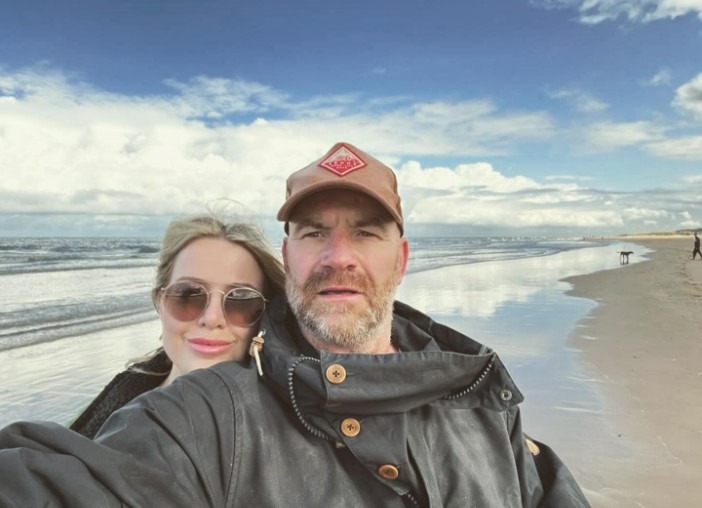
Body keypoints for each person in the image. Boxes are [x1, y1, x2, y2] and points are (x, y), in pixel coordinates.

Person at [0, 142, 590, 507]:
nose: (338, 255)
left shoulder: (479, 397)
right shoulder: (211, 415)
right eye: (313, 232)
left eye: (365, 231)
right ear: (289, 260)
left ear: (402, 259)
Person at [70, 212, 285, 438]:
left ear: (267, 314)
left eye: (241, 300)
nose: (212, 318)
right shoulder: (126, 388)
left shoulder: (270, 432)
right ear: (159, 303)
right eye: (188, 295)